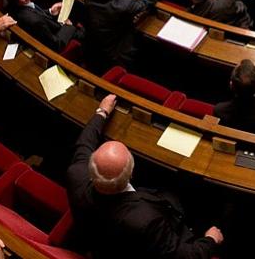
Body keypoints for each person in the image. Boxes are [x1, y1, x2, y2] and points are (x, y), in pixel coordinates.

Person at [67, 94, 223, 258]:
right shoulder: (145, 220)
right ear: (132, 173)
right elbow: (184, 255)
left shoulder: (76, 174)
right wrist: (210, 239)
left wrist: (102, 112)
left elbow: (84, 142)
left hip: (98, 237)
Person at [3, 0, 84, 52]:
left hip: (49, 27)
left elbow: (35, 14)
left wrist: (50, 12)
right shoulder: (35, 21)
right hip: (62, 37)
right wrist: (68, 26)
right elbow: (56, 45)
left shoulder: (12, 5)